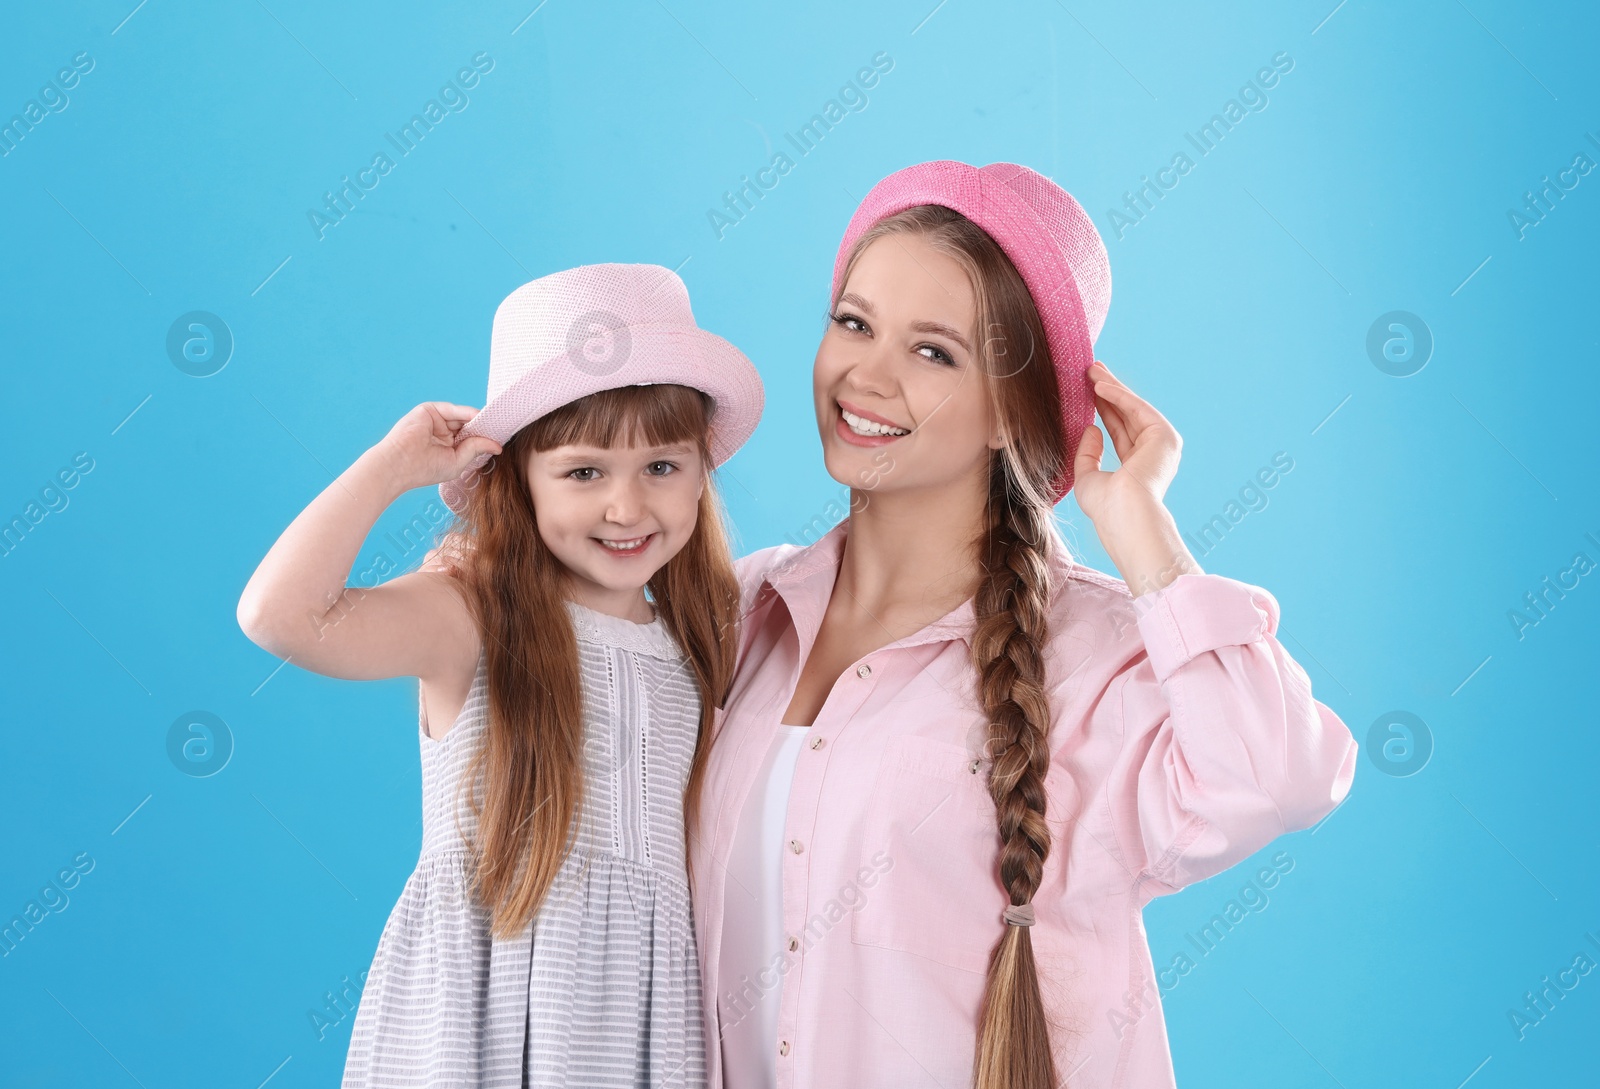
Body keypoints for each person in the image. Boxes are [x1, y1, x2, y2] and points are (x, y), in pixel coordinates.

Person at [691, 162, 1358, 1089]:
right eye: (853, 322)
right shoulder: (742, 613)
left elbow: (1275, 776)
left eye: (934, 352)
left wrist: (1141, 533)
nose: (866, 375)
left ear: (1016, 408)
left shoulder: (1098, 655)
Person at [236, 263, 764, 1089]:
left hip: (641, 1035)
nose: (626, 507)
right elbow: (281, 614)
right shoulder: (472, 618)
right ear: (516, 478)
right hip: (481, 1027)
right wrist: (388, 467)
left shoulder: (697, 645)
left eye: (662, 466)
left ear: (703, 471)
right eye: (584, 471)